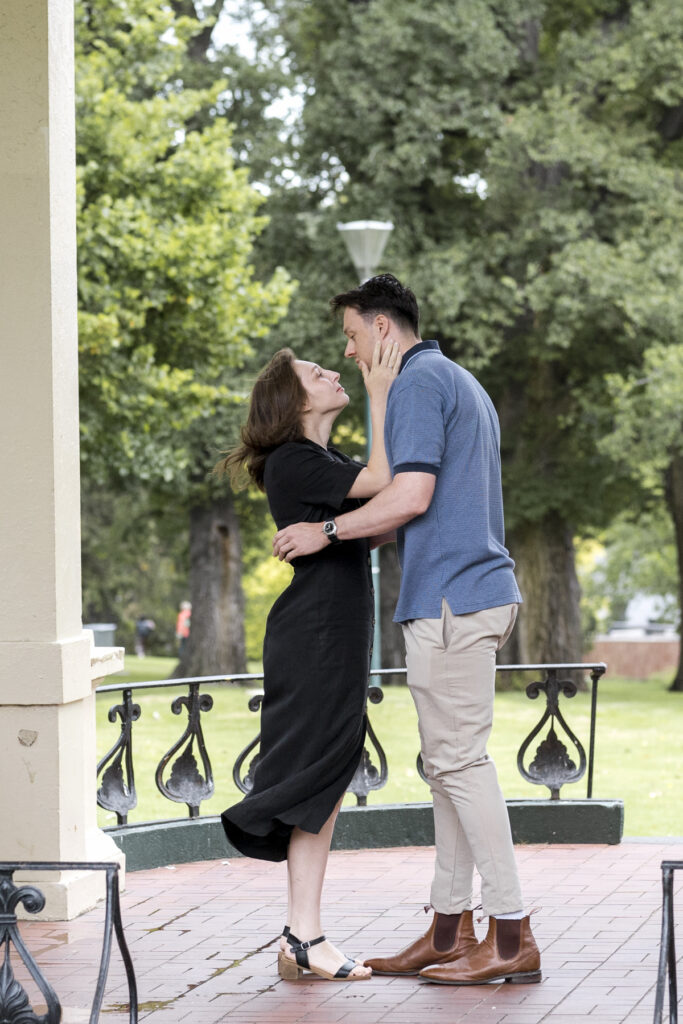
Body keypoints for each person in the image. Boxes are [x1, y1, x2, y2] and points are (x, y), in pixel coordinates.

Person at [272, 274, 542, 986]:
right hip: (465, 594)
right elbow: (413, 497)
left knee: (457, 765)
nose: (351, 352)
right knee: (448, 767)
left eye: (353, 337)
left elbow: (408, 495)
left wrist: (325, 528)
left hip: (452, 599)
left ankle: (510, 934)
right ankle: (448, 929)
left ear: (383, 330)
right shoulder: (455, 379)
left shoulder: (420, 386)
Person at [219, 340, 400, 982]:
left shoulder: (323, 460)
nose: (331, 372)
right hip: (316, 635)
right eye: (315, 373)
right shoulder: (295, 461)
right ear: (294, 402)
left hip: (332, 634)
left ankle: (303, 936)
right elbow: (383, 484)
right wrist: (379, 389)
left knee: (325, 778)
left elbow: (383, 514)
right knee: (317, 777)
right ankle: (304, 935)